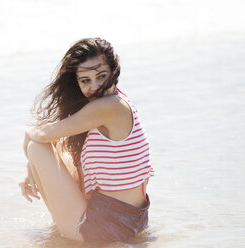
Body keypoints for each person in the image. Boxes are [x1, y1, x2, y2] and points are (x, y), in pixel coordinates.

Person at [19, 37, 154, 244]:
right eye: (85, 81)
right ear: (77, 82)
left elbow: (42, 135)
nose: (95, 86)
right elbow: (57, 137)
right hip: (130, 223)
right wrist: (31, 167)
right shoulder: (119, 101)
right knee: (62, 144)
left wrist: (29, 140)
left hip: (101, 230)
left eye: (101, 76)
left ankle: (65, 229)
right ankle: (65, 222)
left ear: (114, 72)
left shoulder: (108, 107)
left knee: (36, 146)